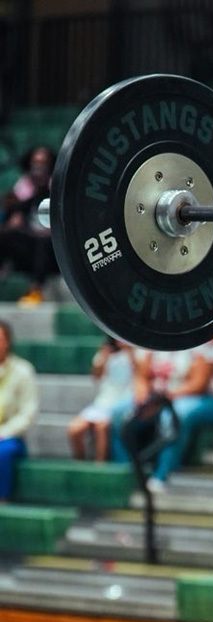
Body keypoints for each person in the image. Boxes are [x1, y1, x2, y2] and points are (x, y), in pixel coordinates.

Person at [111, 344, 213, 491]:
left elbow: (199, 384)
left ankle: (162, 475)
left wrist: (164, 399)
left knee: (174, 415)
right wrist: (143, 396)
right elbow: (141, 377)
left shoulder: (201, 345)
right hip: (157, 399)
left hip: (202, 399)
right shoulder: (151, 342)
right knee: (118, 413)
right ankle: (128, 471)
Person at [0, 146, 57, 304]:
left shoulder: (56, 187)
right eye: (35, 163)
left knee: (43, 243)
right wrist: (14, 216)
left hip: (51, 249)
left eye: (43, 164)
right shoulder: (23, 190)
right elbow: (15, 218)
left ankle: (35, 290)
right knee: (6, 235)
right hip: (29, 244)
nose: (38, 168)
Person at [66, 338, 135, 462]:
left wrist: (130, 350)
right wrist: (105, 357)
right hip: (102, 403)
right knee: (74, 428)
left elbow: (140, 372)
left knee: (101, 427)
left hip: (123, 403)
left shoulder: (135, 353)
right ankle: (80, 464)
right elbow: (95, 376)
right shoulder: (105, 353)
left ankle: (100, 466)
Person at [0, 320, 38, 501]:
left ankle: (2, 499)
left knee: (3, 452)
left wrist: (3, 432)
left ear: (8, 341)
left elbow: (28, 414)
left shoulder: (23, 371)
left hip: (10, 437)